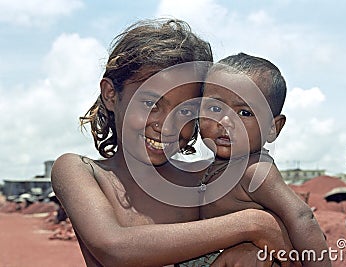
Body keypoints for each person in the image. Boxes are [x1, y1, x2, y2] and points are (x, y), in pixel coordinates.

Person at [51, 19, 292, 267]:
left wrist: (248, 251)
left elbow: (290, 234)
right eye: (150, 104)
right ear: (111, 94)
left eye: (186, 112)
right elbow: (114, 248)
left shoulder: (207, 180)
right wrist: (251, 225)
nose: (166, 125)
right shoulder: (83, 172)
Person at [193, 53, 331, 266]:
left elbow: (302, 217)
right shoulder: (213, 168)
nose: (226, 121)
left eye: (245, 112)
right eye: (214, 108)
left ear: (272, 128)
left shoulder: (254, 170)